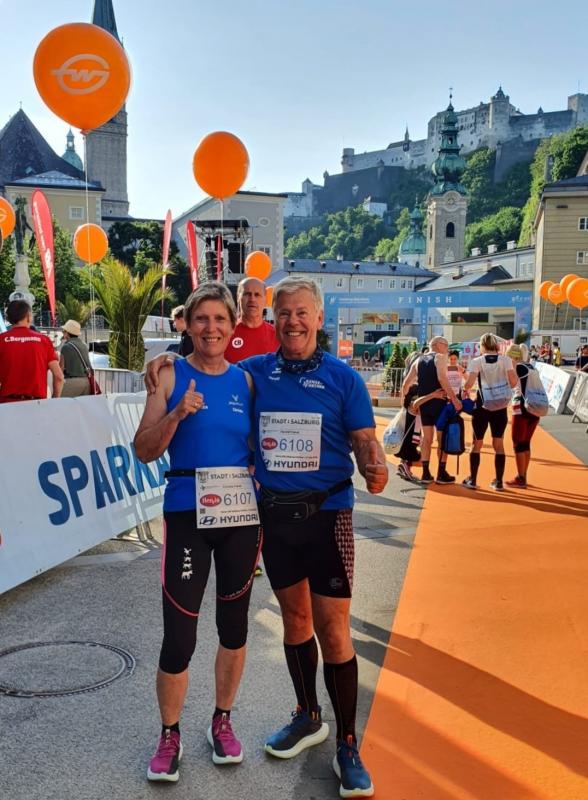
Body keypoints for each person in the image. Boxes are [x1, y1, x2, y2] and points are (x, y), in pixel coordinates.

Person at [242, 277, 387, 798]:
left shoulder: (343, 378)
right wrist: (167, 364)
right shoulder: (253, 373)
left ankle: (348, 744)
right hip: (276, 517)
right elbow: (205, 373)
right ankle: (307, 716)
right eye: (284, 313)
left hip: (328, 515)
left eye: (302, 312)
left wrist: (374, 465)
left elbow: (366, 441)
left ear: (319, 319)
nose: (293, 322)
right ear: (273, 319)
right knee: (295, 620)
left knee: (333, 629)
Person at [134, 282, 260, 782]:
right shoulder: (169, 375)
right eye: (202, 319)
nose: (211, 328)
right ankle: (169, 734)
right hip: (188, 513)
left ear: (233, 326)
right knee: (179, 635)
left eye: (220, 319)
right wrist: (176, 413)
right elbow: (143, 449)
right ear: (186, 323)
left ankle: (222, 721)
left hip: (239, 516)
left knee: (234, 627)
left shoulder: (247, 381)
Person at [401, 336, 461, 485]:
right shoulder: (440, 357)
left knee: (426, 439)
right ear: (438, 345)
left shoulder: (418, 360)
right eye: (446, 345)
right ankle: (441, 473)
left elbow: (406, 384)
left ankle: (426, 473)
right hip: (440, 404)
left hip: (425, 406)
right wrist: (454, 399)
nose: (447, 349)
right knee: (442, 439)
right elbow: (442, 378)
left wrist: (404, 403)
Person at [461, 333, 518, 491]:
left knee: (477, 443)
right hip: (500, 405)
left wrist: (465, 388)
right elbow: (514, 383)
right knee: (498, 443)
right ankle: (498, 481)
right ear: (496, 345)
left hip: (482, 405)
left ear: (482, 345)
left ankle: (473, 480)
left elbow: (469, 384)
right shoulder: (505, 360)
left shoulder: (477, 361)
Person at [0, 300, 63, 403]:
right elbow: (59, 376)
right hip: (36, 404)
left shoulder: (2, 340)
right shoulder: (44, 340)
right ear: (28, 317)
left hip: (7, 403)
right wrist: (54, 400)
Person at [504, 344, 540, 488]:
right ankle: (523, 475)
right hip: (535, 407)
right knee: (525, 443)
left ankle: (521, 477)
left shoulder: (517, 368)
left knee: (518, 443)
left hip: (522, 408)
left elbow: (511, 385)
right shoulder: (531, 367)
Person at [395, 385, 446, 482]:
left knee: (422, 451)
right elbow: (417, 403)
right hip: (406, 446)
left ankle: (405, 466)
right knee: (424, 459)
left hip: (402, 444)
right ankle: (405, 465)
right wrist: (433, 395)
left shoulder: (406, 407)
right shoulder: (413, 407)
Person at [224, 276, 279, 363]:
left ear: (265, 300)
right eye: (247, 294)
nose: (252, 299)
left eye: (257, 295)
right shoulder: (225, 334)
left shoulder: (277, 336)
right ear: (238, 297)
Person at [59, 320, 91, 397]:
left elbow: (60, 369)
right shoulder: (84, 345)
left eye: (64, 331)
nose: (63, 333)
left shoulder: (66, 347)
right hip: (87, 381)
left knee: (58, 401)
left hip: (72, 382)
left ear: (67, 333)